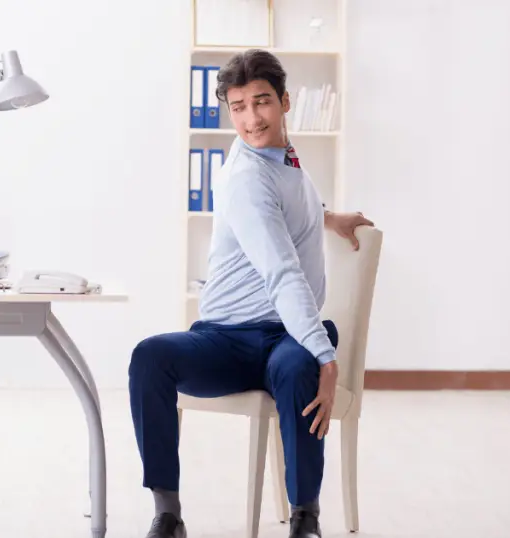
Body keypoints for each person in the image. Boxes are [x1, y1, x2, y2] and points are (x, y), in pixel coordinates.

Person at [129, 49, 374, 538]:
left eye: (261, 102)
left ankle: (305, 518)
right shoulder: (243, 173)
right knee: (149, 358)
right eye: (238, 108)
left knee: (298, 365)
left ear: (285, 102)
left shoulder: (285, 158)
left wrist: (327, 216)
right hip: (224, 340)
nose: (250, 119)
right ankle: (168, 513)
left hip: (285, 336)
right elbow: (282, 272)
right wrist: (329, 360)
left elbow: (282, 206)